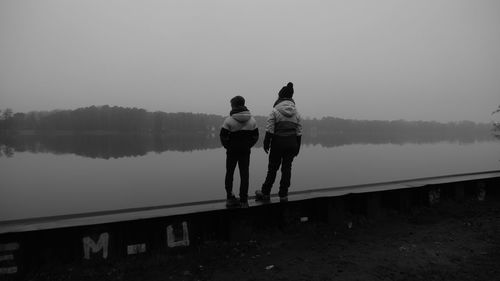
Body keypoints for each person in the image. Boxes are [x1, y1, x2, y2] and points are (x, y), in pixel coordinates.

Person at [255, 82, 302, 203]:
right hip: (292, 144)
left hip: (278, 144)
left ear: (280, 97)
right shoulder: (297, 112)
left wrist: (266, 144)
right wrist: (297, 147)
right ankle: (283, 195)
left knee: (272, 169)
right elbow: (299, 132)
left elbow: (269, 129)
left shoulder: (275, 111)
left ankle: (265, 193)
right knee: (287, 169)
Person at [220, 96, 259, 208]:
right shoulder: (252, 120)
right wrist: (248, 145)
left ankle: (230, 197)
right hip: (245, 151)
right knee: (244, 175)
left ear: (234, 105)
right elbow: (255, 136)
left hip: (232, 151)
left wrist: (229, 147)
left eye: (231, 105)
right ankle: (243, 200)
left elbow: (223, 137)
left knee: (229, 174)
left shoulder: (228, 120)